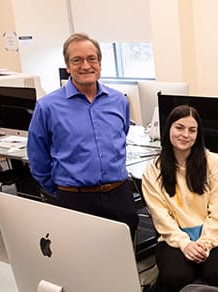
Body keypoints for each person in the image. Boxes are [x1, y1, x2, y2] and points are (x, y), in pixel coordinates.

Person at [28, 33, 137, 238]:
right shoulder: (47, 107)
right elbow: (37, 158)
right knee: (80, 261)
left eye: (91, 59)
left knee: (122, 260)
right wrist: (60, 189)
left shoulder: (118, 101)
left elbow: (122, 136)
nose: (86, 66)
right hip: (75, 199)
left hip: (118, 194)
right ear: (68, 66)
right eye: (77, 60)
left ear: (100, 63)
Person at [140, 104, 218, 292]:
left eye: (192, 130)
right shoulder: (153, 170)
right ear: (168, 129)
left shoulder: (212, 163)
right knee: (177, 276)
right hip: (175, 237)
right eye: (179, 127)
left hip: (213, 235)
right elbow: (161, 217)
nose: (185, 134)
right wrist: (184, 244)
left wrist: (204, 243)